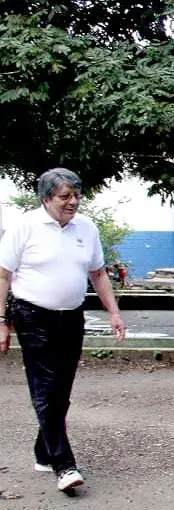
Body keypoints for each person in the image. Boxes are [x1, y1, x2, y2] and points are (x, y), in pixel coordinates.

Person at [0, 168, 126, 492]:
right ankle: (64, 465)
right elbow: (3, 277)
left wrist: (114, 312)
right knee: (45, 389)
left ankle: (43, 452)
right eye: (64, 196)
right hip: (32, 316)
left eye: (76, 195)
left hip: (71, 317)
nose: (73, 202)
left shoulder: (87, 228)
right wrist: (2, 322)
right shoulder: (24, 226)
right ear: (46, 198)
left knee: (62, 391)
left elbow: (98, 274)